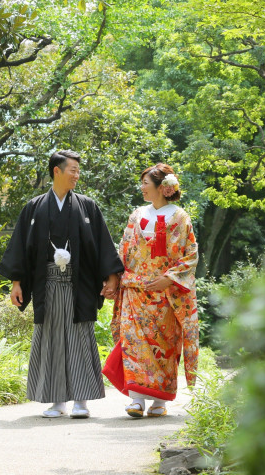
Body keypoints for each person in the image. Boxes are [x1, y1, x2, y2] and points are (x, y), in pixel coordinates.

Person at [0, 150, 124, 419]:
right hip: (48, 284)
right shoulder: (34, 207)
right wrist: (17, 283)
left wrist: (112, 277)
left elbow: (102, 244)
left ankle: (81, 401)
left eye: (78, 171)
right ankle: (56, 401)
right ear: (57, 171)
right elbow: (21, 247)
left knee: (79, 338)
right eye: (73, 170)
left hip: (79, 285)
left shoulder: (87, 206)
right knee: (51, 340)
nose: (77, 175)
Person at [102, 163, 199, 418]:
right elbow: (124, 249)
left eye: (146, 183)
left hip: (166, 292)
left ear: (162, 187)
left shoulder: (179, 216)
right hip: (136, 288)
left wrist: (169, 278)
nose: (142, 187)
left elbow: (190, 253)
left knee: (164, 346)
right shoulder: (136, 215)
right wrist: (113, 279)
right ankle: (137, 400)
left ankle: (160, 401)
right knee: (133, 343)